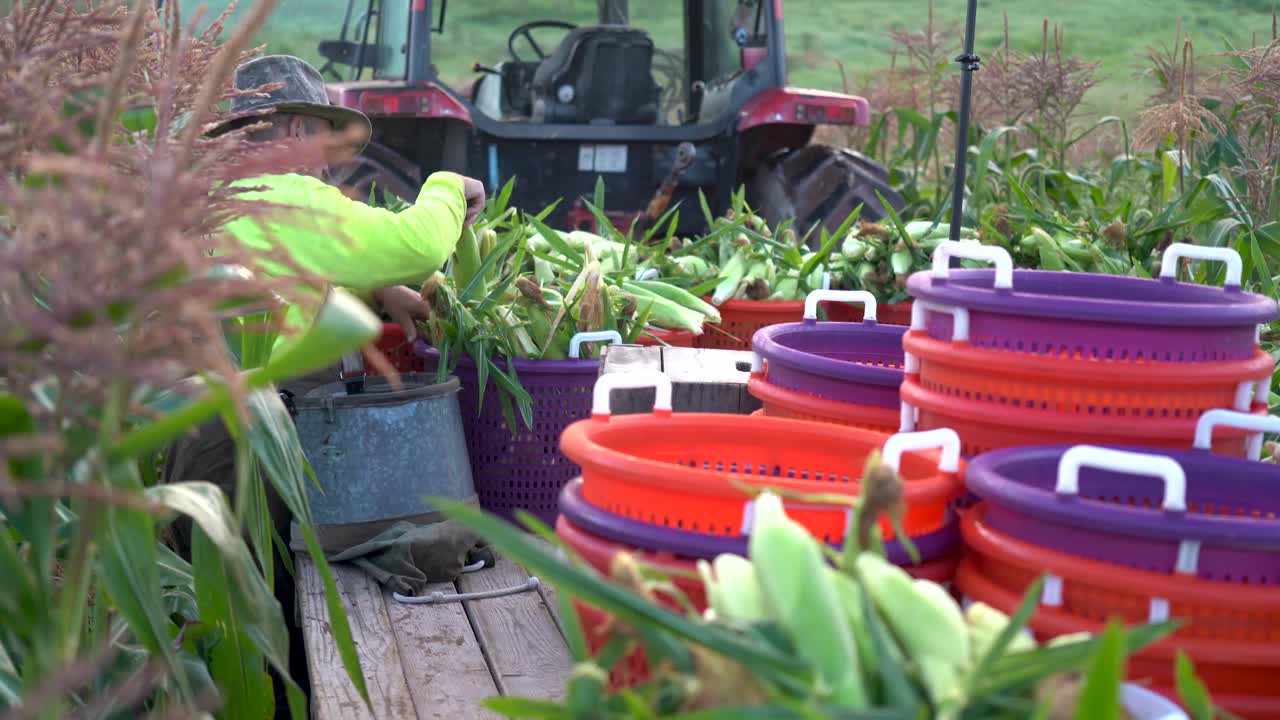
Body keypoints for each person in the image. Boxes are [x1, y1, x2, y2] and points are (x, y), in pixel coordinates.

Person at [161, 54, 486, 714]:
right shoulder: (294, 198)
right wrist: (448, 185)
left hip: (191, 432)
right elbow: (421, 241)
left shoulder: (214, 204)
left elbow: (281, 272)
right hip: (261, 437)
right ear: (288, 131)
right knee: (269, 605)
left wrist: (372, 286)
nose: (325, 160)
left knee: (215, 602)